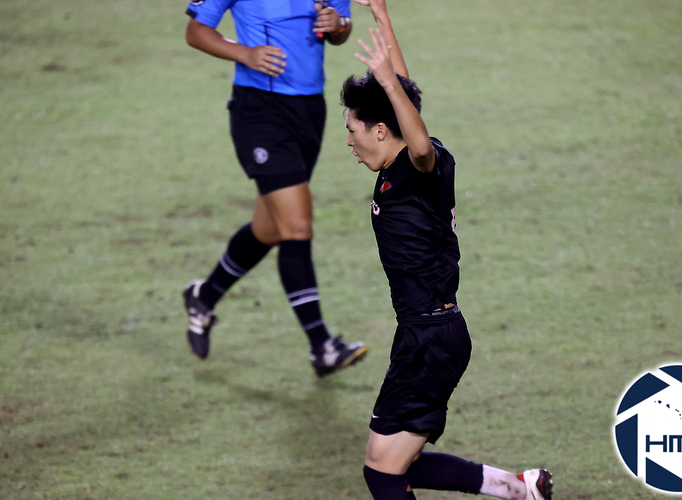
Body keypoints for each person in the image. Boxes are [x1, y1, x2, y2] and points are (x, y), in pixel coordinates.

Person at [340, 1, 553, 498]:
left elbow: (413, 137)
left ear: (379, 130)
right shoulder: (401, 161)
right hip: (427, 333)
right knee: (399, 466)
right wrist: (383, 18)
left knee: (382, 471)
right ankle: (520, 488)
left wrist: (387, 82)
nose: (348, 142)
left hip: (430, 339)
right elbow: (407, 107)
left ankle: (519, 490)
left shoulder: (420, 167)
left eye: (352, 130)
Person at [181, 0, 368, 377]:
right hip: (260, 111)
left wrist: (338, 24)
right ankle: (321, 346)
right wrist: (244, 53)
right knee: (295, 227)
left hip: (310, 110)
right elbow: (196, 32)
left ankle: (204, 296)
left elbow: (340, 30)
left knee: (269, 228)